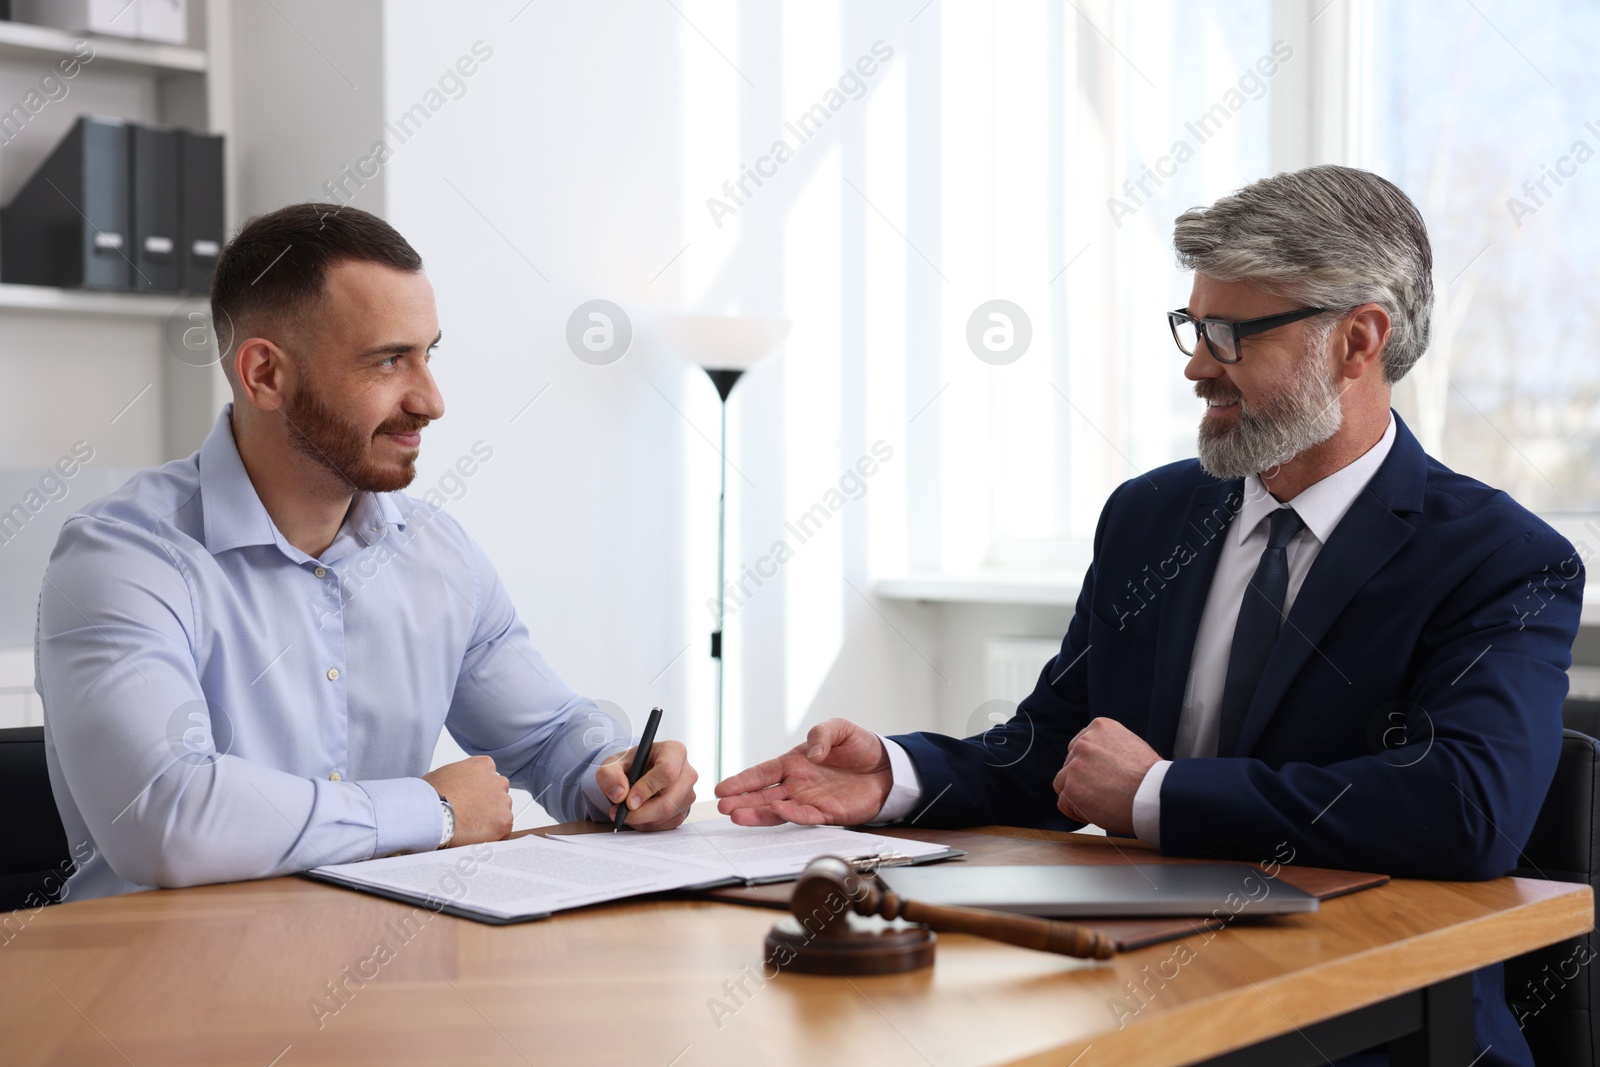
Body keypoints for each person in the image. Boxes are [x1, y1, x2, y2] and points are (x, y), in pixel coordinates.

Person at [715, 165, 1583, 1067]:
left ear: (1358, 340)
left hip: (1374, 1025)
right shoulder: (1151, 516)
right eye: (1192, 325)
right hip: (1141, 991)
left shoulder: (1499, 559)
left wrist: (1155, 793)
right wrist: (893, 776)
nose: (1197, 363)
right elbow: (1058, 748)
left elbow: (1467, 808)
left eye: (1229, 333)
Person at [39, 204, 697, 902]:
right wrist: (434, 811)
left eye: (428, 354)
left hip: (375, 973)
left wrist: (620, 772)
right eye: (388, 360)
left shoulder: (438, 555)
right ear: (265, 374)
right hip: (156, 988)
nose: (431, 400)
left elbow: (547, 736)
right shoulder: (122, 557)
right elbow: (165, 815)